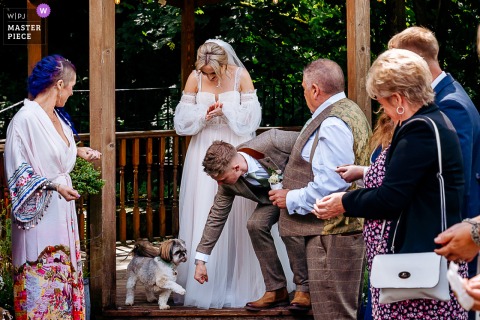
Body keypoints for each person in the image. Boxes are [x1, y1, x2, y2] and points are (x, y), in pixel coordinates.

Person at [313, 48, 468, 319]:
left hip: (420, 268)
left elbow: (390, 198)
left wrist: (343, 202)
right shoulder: (430, 122)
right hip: (418, 264)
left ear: (398, 99)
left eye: (381, 102)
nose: (381, 109)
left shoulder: (419, 129)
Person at [268, 58, 372, 319]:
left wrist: (290, 197)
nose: (304, 93)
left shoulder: (333, 123)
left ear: (314, 89)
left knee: (332, 313)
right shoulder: (347, 110)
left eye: (304, 88)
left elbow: (330, 186)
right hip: (340, 234)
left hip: (333, 236)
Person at [5, 54, 101, 319]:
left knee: (65, 273)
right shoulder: (24, 119)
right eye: (71, 86)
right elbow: (17, 169)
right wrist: (54, 187)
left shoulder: (58, 117)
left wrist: (78, 151)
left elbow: (54, 153)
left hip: (63, 211)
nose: (72, 92)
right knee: (43, 278)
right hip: (39, 213)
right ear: (59, 84)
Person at [173, 39, 265, 308]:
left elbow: (253, 118)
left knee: (239, 214)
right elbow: (181, 119)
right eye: (205, 73)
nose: (208, 77)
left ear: (224, 64)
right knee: (204, 210)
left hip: (234, 144)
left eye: (213, 73)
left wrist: (228, 110)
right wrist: (203, 114)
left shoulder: (241, 76)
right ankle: (204, 281)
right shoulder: (194, 77)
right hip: (204, 148)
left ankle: (239, 282)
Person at [193, 129, 300, 311]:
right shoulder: (227, 185)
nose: (220, 184)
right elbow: (216, 217)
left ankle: (304, 289)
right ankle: (276, 290)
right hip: (272, 200)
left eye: (222, 179)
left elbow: (310, 142)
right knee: (255, 224)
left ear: (235, 168)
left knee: (287, 225)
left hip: (299, 192)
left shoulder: (273, 141)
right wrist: (201, 260)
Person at [335, 112, 394, 320]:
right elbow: (379, 174)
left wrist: (345, 202)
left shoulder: (408, 134)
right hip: (374, 236)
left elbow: (390, 184)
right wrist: (361, 172)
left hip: (388, 234)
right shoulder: (382, 133)